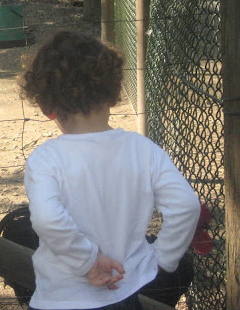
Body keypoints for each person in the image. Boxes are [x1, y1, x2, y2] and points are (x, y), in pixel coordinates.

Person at [18, 31, 201, 310]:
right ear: (114, 92)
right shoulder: (142, 149)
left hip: (59, 299)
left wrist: (88, 262)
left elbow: (48, 219)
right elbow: (186, 206)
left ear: (46, 106)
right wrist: (162, 259)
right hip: (124, 293)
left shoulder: (46, 159)